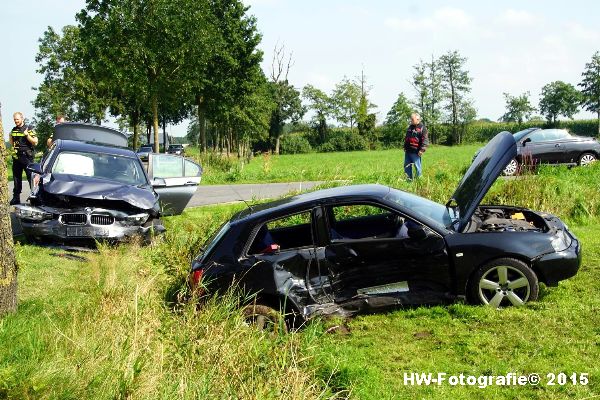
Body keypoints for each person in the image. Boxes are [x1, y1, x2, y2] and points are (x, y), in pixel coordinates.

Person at [9, 112, 38, 205]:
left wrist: (27, 135)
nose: (16, 121)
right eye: (14, 119)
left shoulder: (29, 128)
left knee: (31, 177)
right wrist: (10, 137)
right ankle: (16, 198)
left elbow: (35, 142)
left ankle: (35, 198)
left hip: (27, 157)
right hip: (17, 157)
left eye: (17, 119)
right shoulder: (14, 130)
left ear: (22, 119)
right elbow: (12, 143)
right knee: (17, 178)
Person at [403, 112, 429, 180]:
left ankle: (419, 181)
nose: (411, 120)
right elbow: (407, 138)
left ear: (418, 119)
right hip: (408, 151)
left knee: (417, 167)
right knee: (407, 166)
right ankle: (408, 179)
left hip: (416, 152)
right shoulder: (410, 127)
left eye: (412, 119)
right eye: (411, 119)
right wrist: (405, 146)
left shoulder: (423, 128)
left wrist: (422, 150)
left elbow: (425, 140)